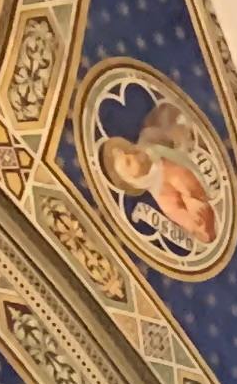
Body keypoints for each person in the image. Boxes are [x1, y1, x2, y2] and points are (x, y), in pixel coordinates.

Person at [93, 86, 226, 264]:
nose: (132, 154)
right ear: (131, 180)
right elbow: (195, 225)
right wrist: (196, 211)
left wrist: (179, 133)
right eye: (128, 162)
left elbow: (173, 117)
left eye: (128, 151)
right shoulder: (163, 195)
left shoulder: (151, 141)